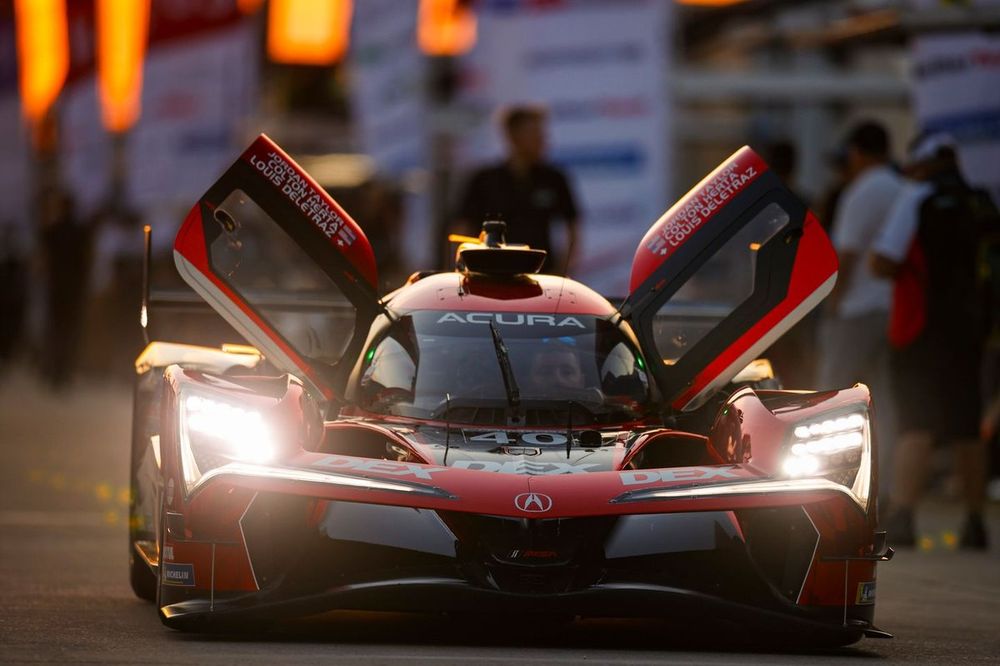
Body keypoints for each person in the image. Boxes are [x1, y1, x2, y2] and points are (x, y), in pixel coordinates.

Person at [871, 133, 999, 549]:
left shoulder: (916, 198)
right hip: (969, 330)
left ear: (922, 162)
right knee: (966, 425)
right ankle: (975, 523)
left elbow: (883, 261)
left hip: (920, 329)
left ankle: (905, 516)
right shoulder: (980, 202)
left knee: (916, 422)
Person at [817, 121, 902, 501]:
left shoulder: (861, 191)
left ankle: (821, 480)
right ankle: (885, 489)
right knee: (885, 399)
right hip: (892, 307)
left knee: (827, 397)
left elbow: (847, 254)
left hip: (856, 310)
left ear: (857, 152)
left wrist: (833, 304)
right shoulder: (902, 187)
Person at [455, 105, 580, 274]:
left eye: (542, 134)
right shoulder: (484, 180)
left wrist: (563, 269)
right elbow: (462, 226)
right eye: (534, 134)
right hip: (488, 276)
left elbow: (572, 226)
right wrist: (459, 270)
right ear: (512, 136)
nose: (541, 140)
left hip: (541, 276)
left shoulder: (554, 178)